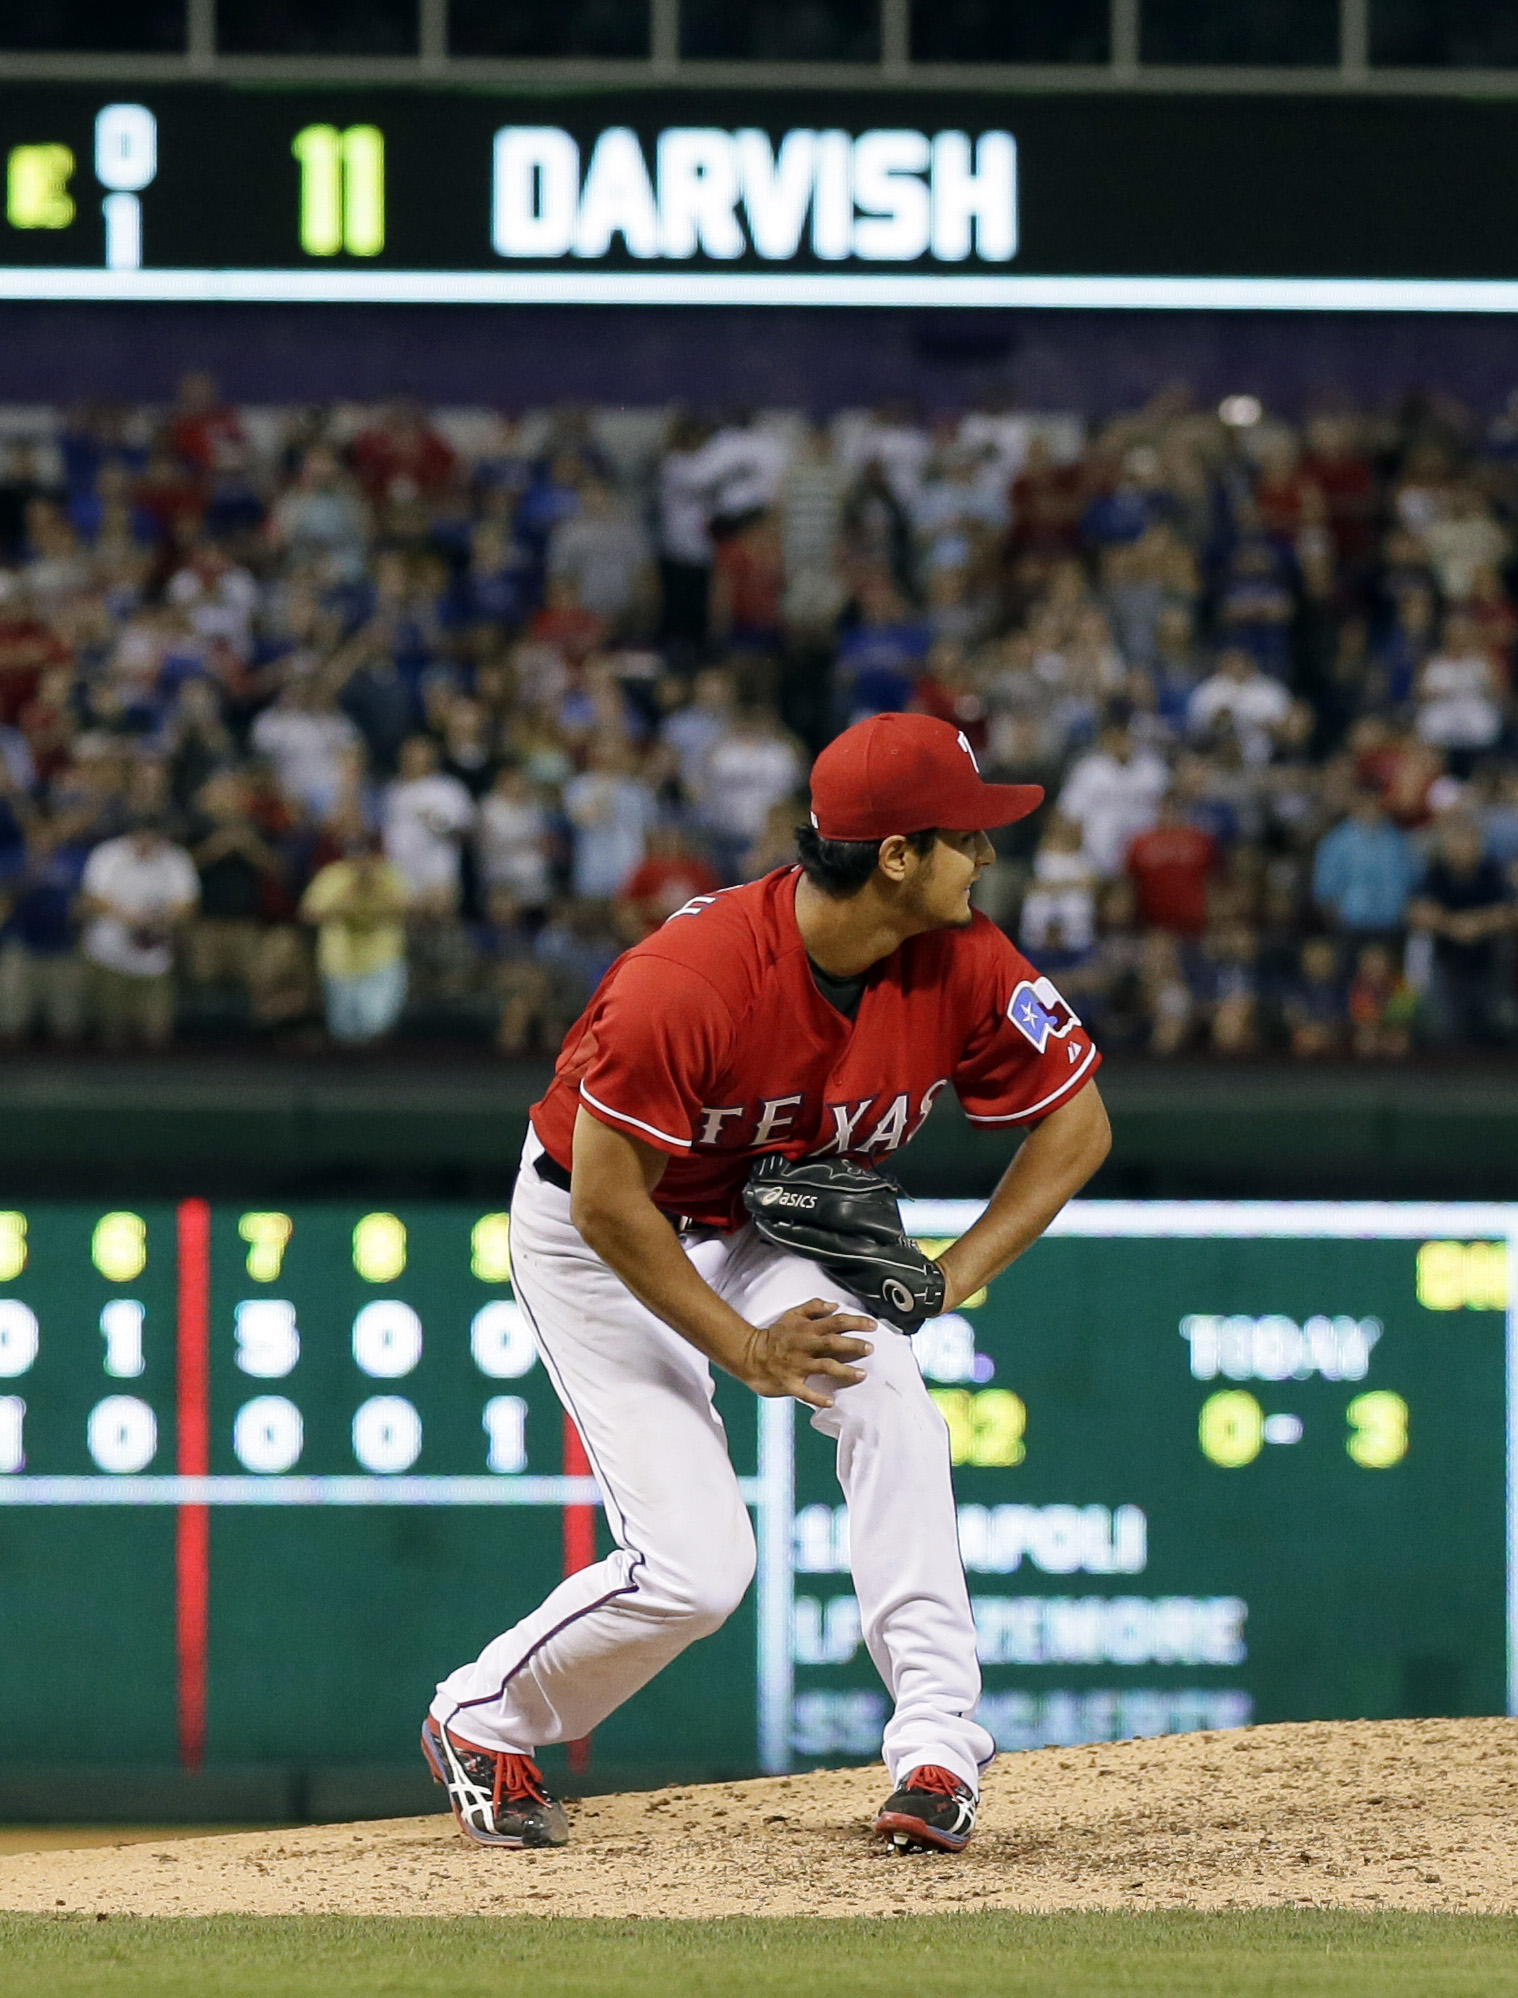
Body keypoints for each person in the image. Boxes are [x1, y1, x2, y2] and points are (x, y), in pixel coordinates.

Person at [422, 712, 1110, 1856]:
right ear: (896, 857)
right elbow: (606, 1201)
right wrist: (743, 1352)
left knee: (884, 1386)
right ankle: (482, 1714)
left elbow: (1076, 1127)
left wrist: (946, 1280)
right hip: (601, 1232)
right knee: (699, 1574)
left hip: (757, 1212)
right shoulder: (689, 980)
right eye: (965, 838)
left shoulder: (963, 957)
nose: (984, 858)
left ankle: (938, 1742)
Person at [79, 815, 199, 1048]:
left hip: (156, 959)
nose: (146, 842)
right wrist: (132, 917)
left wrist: (157, 918)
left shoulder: (175, 858)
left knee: (156, 1034)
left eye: (152, 837)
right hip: (110, 956)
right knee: (111, 1034)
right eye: (140, 836)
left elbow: (189, 905)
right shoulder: (108, 854)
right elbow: (92, 900)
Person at [299, 831, 411, 1044]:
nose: (362, 859)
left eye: (367, 853)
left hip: (382, 960)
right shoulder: (334, 876)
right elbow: (309, 913)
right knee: (344, 1033)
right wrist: (350, 894)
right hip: (340, 962)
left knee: (378, 1025)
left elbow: (408, 910)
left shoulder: (388, 876)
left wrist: (372, 890)